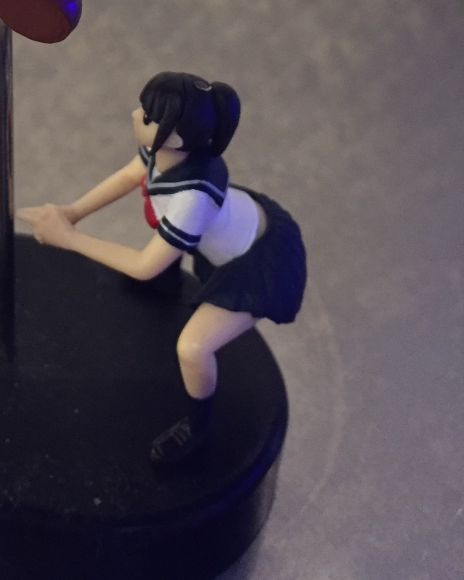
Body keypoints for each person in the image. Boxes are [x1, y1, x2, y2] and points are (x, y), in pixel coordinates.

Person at [20, 72, 306, 469]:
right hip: (231, 236)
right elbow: (128, 176)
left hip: (255, 265)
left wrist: (68, 238)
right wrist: (72, 212)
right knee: (171, 250)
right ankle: (168, 285)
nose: (133, 114)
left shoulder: (192, 200)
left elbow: (144, 264)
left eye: (147, 115)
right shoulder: (168, 153)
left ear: (174, 137)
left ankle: (198, 428)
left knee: (193, 348)